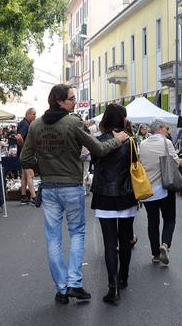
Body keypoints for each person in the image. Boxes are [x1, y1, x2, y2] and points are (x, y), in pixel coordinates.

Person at [20, 84, 129, 304]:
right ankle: (74, 283)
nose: (74, 102)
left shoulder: (36, 124)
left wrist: (41, 168)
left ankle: (61, 289)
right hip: (70, 185)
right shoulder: (73, 122)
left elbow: (25, 158)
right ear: (59, 101)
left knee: (53, 238)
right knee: (77, 232)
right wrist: (119, 140)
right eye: (71, 98)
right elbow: (98, 149)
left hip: (49, 187)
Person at [90, 103, 137, 304]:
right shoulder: (131, 141)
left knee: (110, 242)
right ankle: (124, 277)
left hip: (104, 194)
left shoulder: (99, 141)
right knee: (125, 239)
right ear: (123, 119)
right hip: (126, 193)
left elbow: (95, 163)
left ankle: (113, 287)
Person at [139, 117, 180, 266]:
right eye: (167, 129)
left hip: (148, 189)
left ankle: (155, 254)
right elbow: (175, 162)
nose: (168, 132)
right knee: (169, 219)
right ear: (159, 129)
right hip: (165, 187)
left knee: (153, 221)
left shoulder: (142, 144)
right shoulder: (165, 142)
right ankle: (165, 245)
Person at [16, 108, 37, 205]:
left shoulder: (23, 123)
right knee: (30, 174)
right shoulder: (25, 124)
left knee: (24, 175)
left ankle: (23, 196)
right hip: (25, 155)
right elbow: (19, 137)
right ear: (28, 114)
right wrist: (24, 148)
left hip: (22, 154)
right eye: (33, 114)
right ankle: (34, 197)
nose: (35, 116)